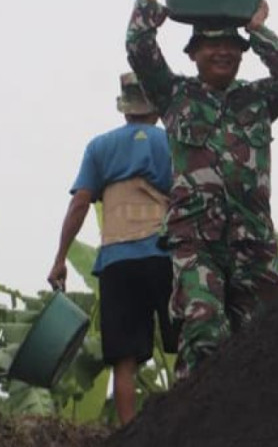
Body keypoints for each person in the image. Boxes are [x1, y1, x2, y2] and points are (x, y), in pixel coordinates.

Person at [125, 0, 278, 380]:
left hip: (253, 242)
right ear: (193, 54)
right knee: (205, 336)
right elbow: (139, 47)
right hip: (197, 242)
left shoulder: (258, 100)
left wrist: (258, 30)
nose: (223, 52)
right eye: (211, 45)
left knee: (265, 343)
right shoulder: (175, 96)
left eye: (232, 46)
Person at [48, 72, 178, 425]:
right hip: (164, 256)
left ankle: (129, 432)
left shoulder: (99, 147)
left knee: (124, 361)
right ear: (155, 107)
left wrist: (61, 259)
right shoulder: (170, 143)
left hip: (117, 261)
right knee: (184, 345)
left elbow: (79, 205)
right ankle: (190, 424)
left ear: (124, 109)